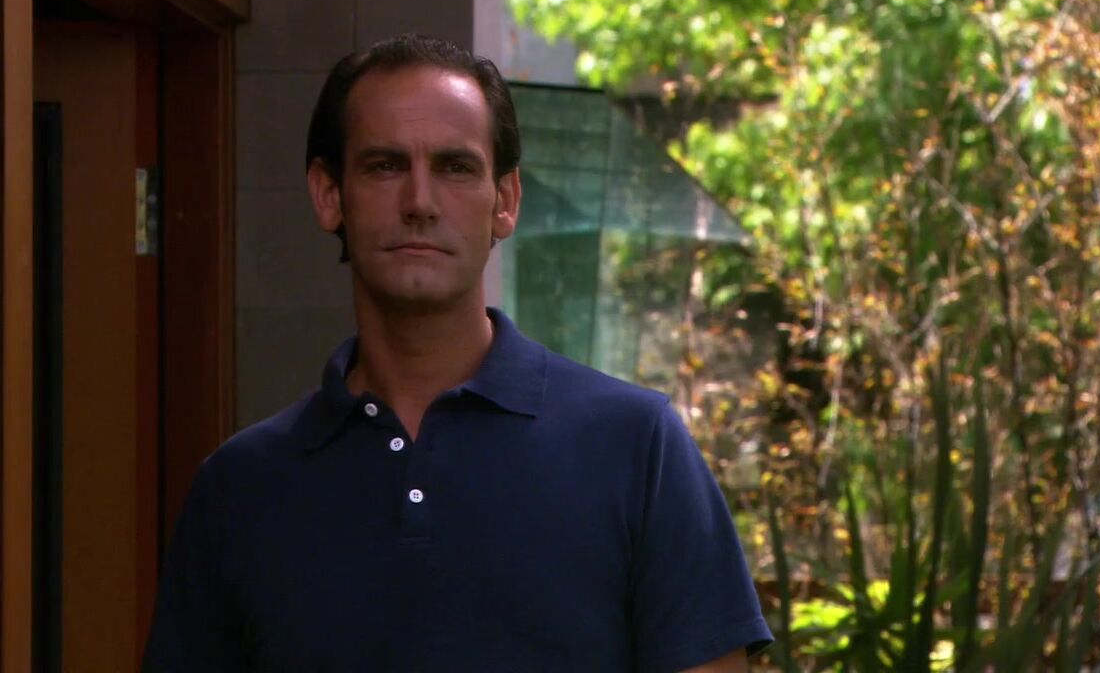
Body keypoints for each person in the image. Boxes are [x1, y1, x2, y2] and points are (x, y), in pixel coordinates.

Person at [143, 33, 772, 672]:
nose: (419, 203)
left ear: (506, 200)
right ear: (329, 194)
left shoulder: (638, 448)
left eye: (455, 167)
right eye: (385, 166)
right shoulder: (239, 488)